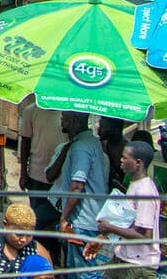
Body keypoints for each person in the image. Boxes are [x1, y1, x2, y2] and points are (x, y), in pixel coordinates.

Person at [51, 111, 110, 278]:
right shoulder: (89, 142)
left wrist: (64, 218)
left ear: (75, 121)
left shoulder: (81, 147)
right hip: (87, 219)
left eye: (65, 117)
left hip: (82, 222)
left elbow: (77, 185)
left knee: (83, 273)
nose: (61, 119)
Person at [101, 140, 162, 279]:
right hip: (123, 258)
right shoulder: (134, 185)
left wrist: (109, 228)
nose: (121, 160)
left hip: (138, 266)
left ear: (138, 163)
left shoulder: (145, 191)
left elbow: (145, 236)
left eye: (125, 158)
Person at [19, 94, 71, 230]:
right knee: (35, 219)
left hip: (59, 179)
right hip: (36, 174)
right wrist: (23, 173)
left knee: (54, 219)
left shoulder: (68, 114)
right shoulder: (31, 111)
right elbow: (25, 143)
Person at [0, 200, 51, 275]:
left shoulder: (39, 252)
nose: (24, 239)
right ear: (5, 224)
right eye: (19, 234)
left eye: (29, 235)